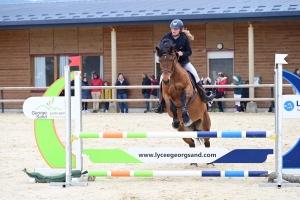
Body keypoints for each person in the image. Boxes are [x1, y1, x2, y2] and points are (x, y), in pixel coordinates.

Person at [152, 19, 215, 113]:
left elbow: (189, 52)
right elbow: (160, 50)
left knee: (196, 75)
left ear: (180, 30)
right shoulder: (166, 37)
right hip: (170, 65)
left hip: (183, 63)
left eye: (176, 29)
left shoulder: (184, 38)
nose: (174, 30)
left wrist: (182, 53)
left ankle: (204, 96)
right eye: (172, 28)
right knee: (162, 80)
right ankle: (160, 104)